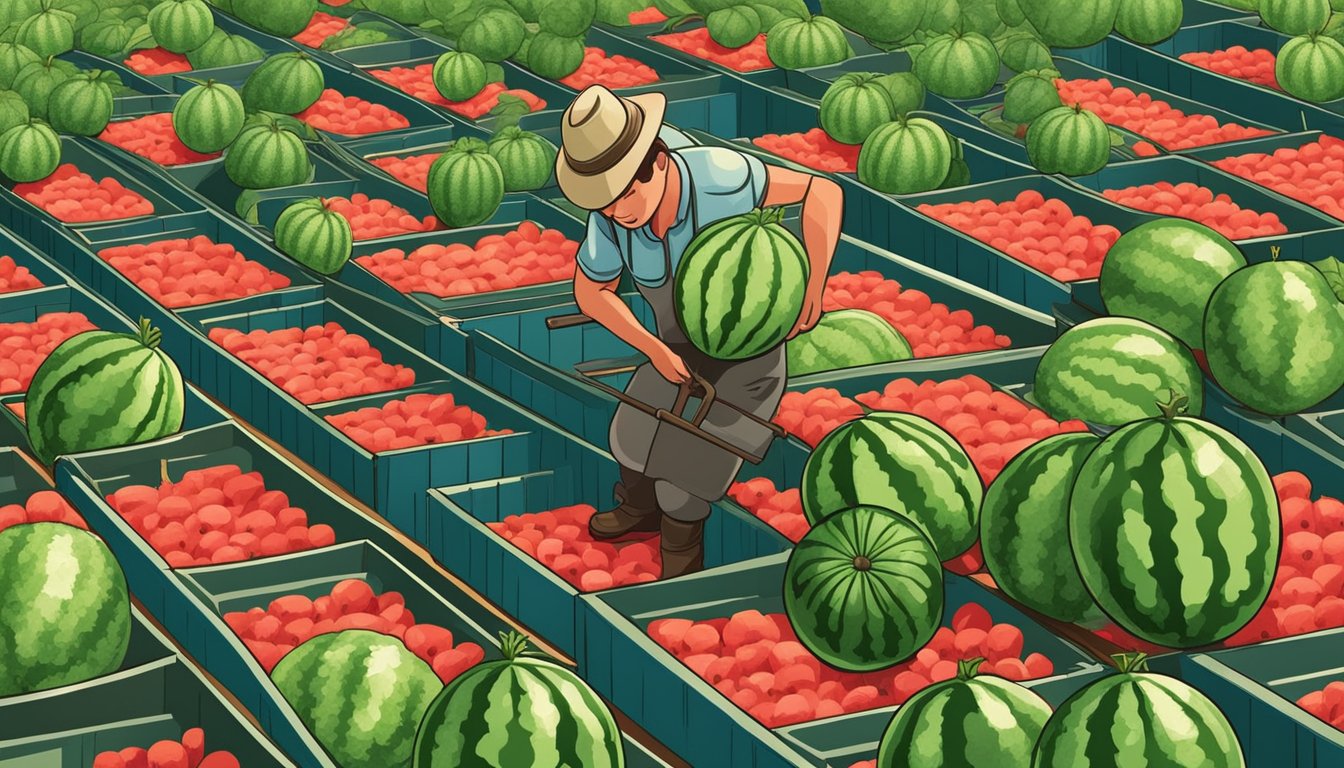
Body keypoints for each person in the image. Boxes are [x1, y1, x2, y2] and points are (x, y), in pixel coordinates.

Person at [554, 85, 843, 578]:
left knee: (688, 477)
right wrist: (654, 350)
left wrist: (813, 284)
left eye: (626, 193)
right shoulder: (608, 214)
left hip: (749, 352)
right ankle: (637, 508)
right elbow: (591, 291)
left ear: (660, 162)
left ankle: (680, 556)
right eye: (605, 203)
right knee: (630, 432)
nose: (617, 212)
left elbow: (823, 191)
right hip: (674, 343)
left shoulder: (720, 176)